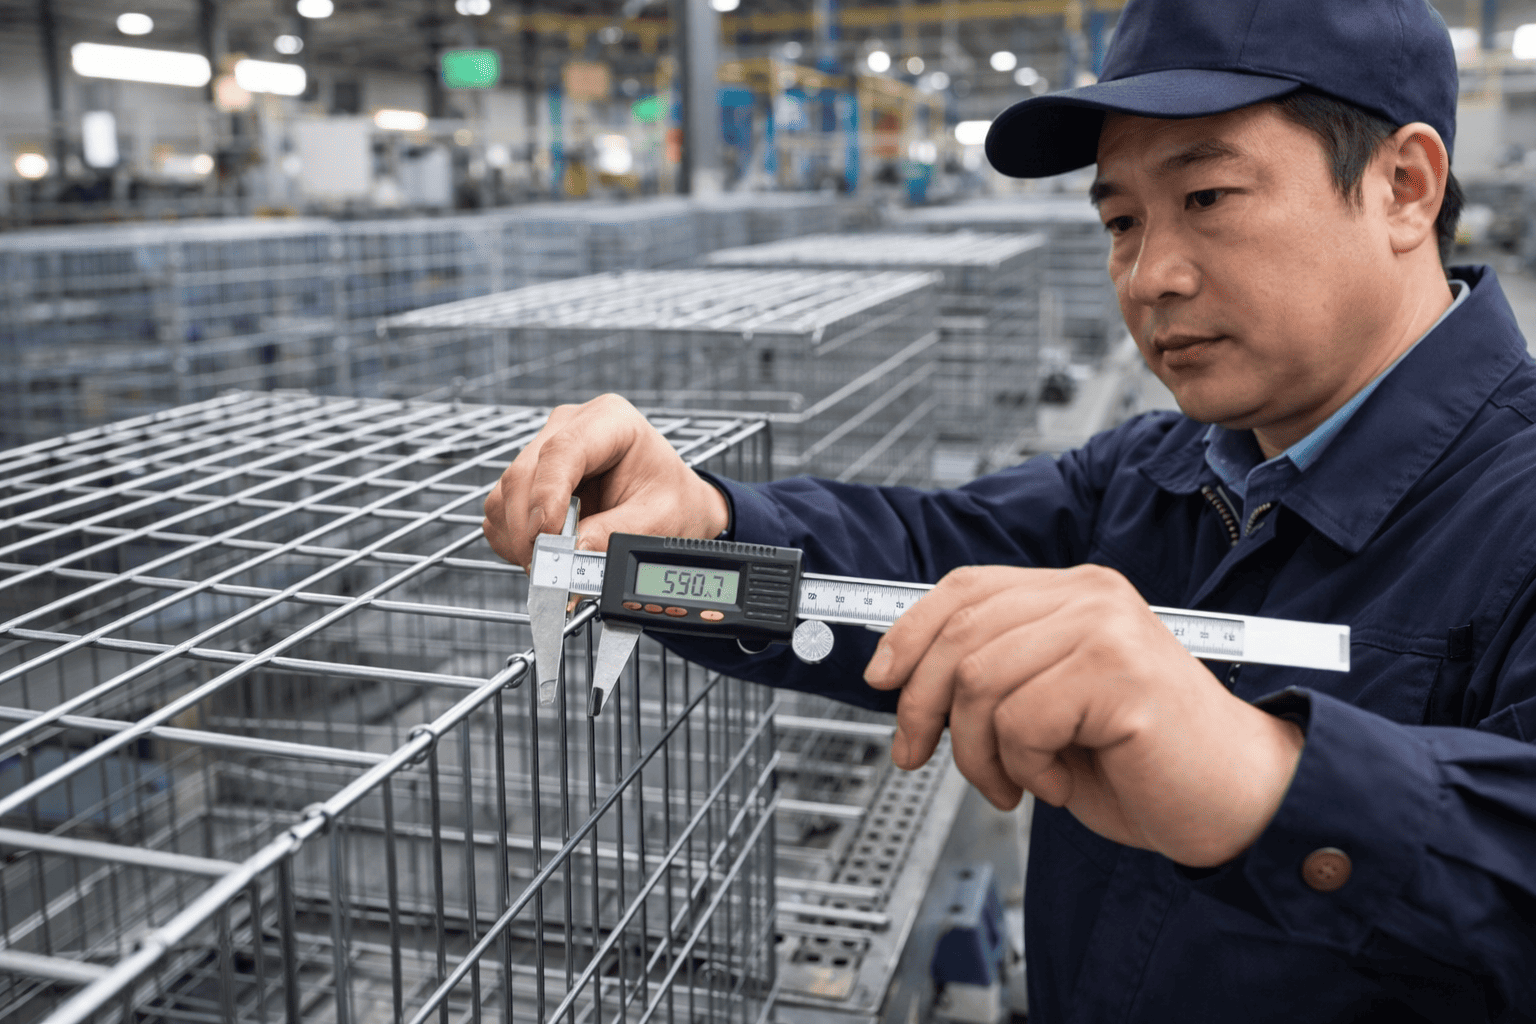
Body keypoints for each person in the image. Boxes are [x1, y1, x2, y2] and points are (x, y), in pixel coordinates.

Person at [483, 0, 1536, 1018]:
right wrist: (698, 536)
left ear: (1404, 185)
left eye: (1208, 197)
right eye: (1122, 219)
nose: (1150, 275)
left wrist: (1265, 779)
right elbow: (907, 565)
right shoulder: (1161, 473)